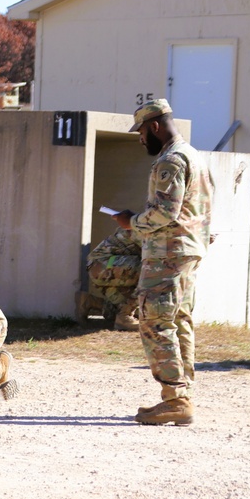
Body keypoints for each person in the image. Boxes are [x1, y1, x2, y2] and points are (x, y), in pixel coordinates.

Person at [111, 99, 213, 426]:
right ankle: (183, 394)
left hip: (168, 255)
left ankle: (175, 399)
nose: (141, 138)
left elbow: (164, 213)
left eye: (141, 131)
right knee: (178, 320)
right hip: (187, 252)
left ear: (154, 126)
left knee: (156, 321)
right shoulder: (196, 156)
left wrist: (131, 222)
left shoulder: (171, 161)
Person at [76, 228, 141, 331]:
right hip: (103, 265)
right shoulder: (151, 226)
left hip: (113, 269)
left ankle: (91, 302)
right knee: (153, 270)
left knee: (116, 312)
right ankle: (125, 316)